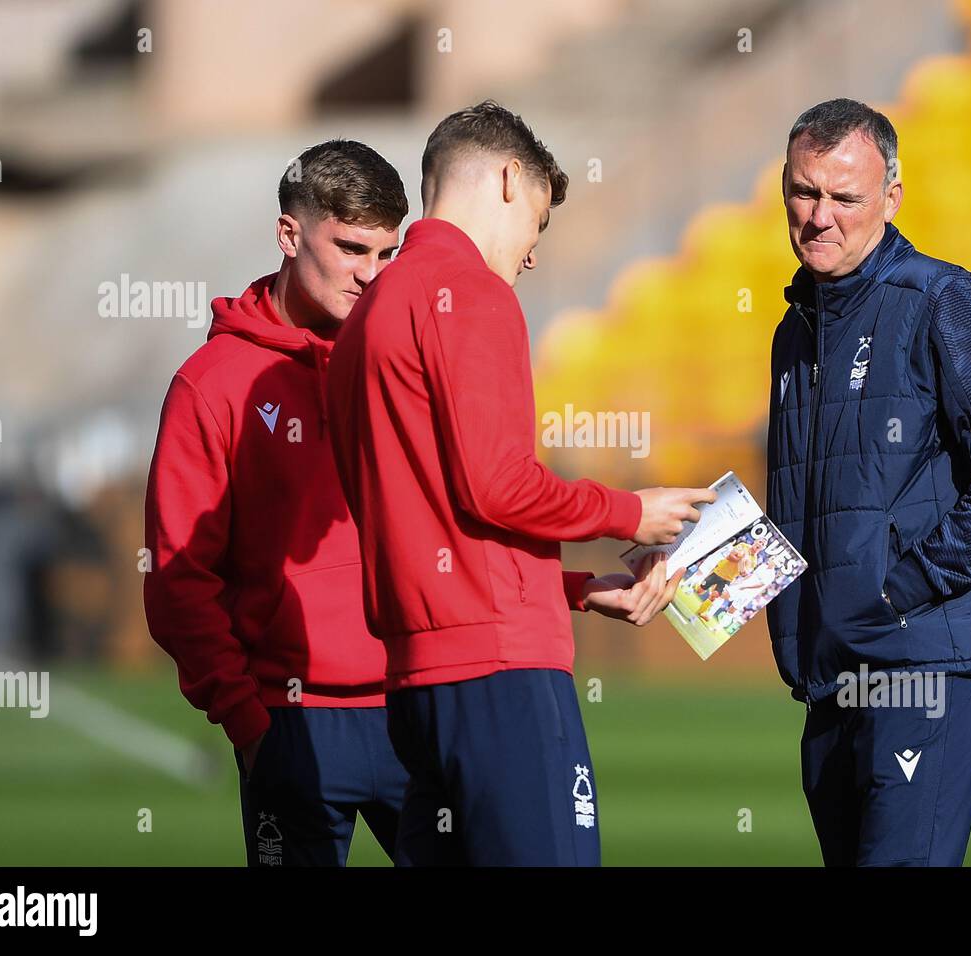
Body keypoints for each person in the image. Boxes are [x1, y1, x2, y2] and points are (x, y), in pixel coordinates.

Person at [327, 101, 715, 866]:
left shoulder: (365, 317)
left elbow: (430, 521)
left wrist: (569, 589)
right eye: (537, 222)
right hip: (501, 680)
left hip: (414, 682)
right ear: (507, 180)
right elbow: (497, 487)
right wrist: (629, 511)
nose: (532, 254)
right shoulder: (471, 291)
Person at [766, 98, 971, 866]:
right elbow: (817, 503)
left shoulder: (947, 300)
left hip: (928, 665)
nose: (818, 215)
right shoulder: (794, 330)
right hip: (831, 676)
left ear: (891, 199)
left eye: (843, 197)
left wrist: (900, 589)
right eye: (803, 191)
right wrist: (699, 572)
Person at [143, 140, 411, 866]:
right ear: (289, 234)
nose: (369, 275)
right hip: (288, 720)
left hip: (416, 706)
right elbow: (177, 578)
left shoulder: (407, 362)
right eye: (352, 248)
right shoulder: (213, 383)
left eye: (385, 255)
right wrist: (245, 720)